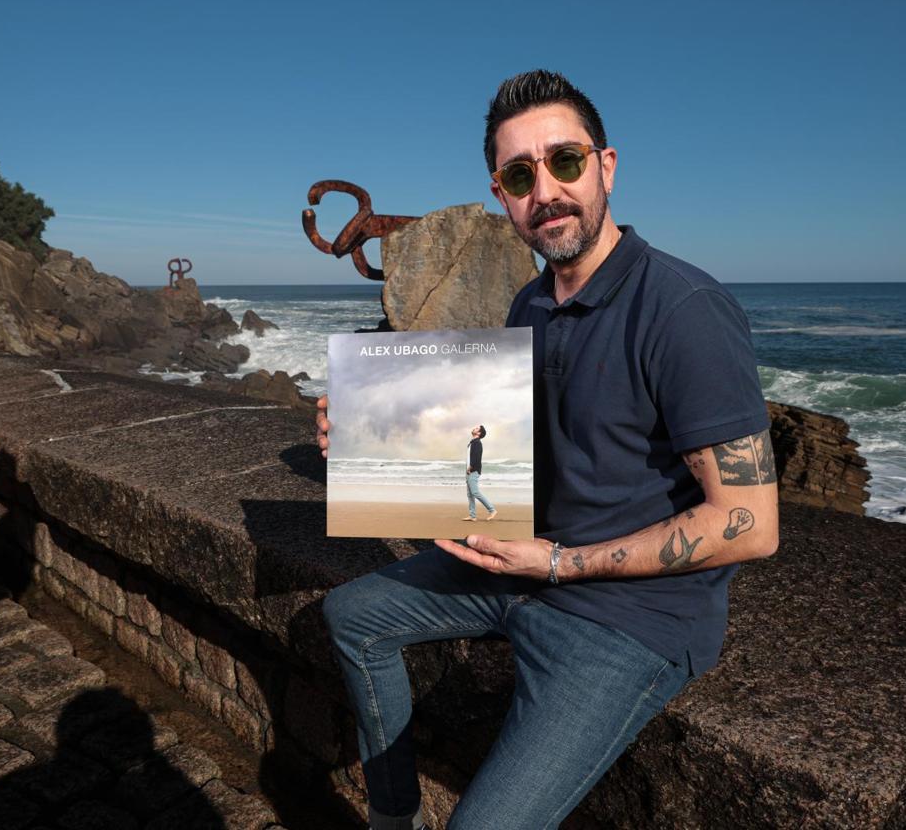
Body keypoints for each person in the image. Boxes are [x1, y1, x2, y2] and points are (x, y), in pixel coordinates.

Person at [316, 69, 779, 830]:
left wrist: (559, 564)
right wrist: (366, 439)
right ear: (501, 196)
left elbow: (751, 523)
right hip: (520, 558)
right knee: (351, 616)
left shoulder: (684, 310)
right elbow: (502, 442)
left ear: (606, 167)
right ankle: (392, 817)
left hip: (630, 615)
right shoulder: (530, 302)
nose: (547, 191)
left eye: (565, 161)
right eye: (519, 174)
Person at [464, 424, 497, 522]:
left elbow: (477, 457)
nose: (474, 428)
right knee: (470, 494)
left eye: (477, 428)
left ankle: (492, 510)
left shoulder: (477, 443)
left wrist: (471, 467)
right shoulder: (472, 442)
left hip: (473, 470)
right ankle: (472, 515)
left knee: (475, 492)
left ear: (479, 433)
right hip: (469, 470)